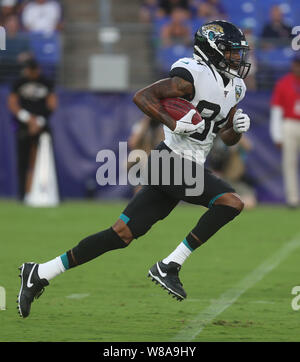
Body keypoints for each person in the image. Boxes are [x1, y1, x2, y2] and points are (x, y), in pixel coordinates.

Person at [17, 20, 251, 318]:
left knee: (121, 234)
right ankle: (170, 265)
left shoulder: (236, 87)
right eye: (231, 52)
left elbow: (226, 136)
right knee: (230, 202)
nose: (236, 59)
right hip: (169, 162)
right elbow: (142, 96)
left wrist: (237, 129)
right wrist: (173, 122)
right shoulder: (192, 75)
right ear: (212, 49)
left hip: (185, 166)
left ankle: (39, 272)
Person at [8, 58, 58, 201]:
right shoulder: (19, 82)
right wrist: (27, 119)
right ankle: (22, 195)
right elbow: (12, 103)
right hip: (23, 125)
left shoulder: (46, 82)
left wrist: (40, 121)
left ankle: (48, 193)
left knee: (46, 158)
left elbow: (52, 103)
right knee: (22, 160)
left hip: (42, 125)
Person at [270, 55, 300, 208]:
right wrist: (277, 135)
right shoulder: (284, 83)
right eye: (297, 64)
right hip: (290, 123)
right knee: (289, 163)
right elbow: (277, 110)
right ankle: (292, 199)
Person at [128, 115, 164, 194]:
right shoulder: (140, 126)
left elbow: (163, 147)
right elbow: (132, 144)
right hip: (141, 161)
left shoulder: (162, 127)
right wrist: (145, 123)